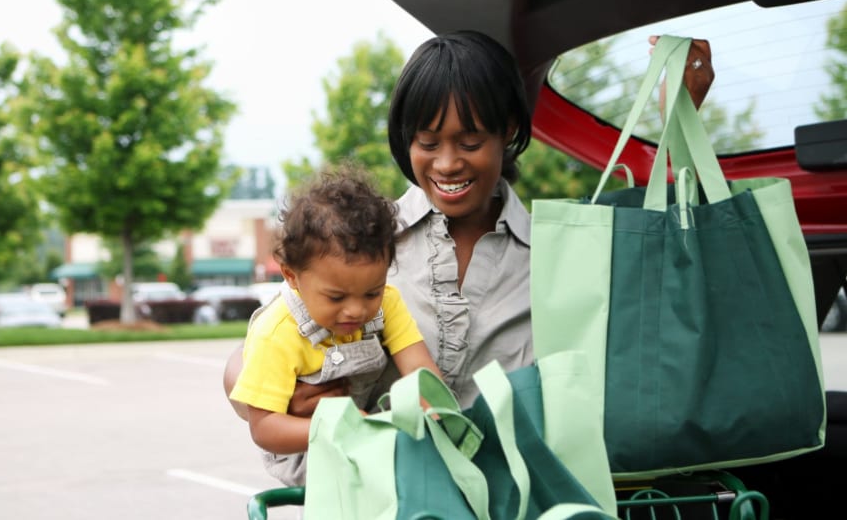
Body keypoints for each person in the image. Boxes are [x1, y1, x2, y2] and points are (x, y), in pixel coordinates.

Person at [225, 31, 714, 412]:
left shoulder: (556, 252)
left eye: (471, 142)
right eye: (428, 142)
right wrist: (278, 400)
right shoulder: (359, 242)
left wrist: (679, 120)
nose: (447, 164)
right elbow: (255, 354)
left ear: (508, 132)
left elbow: (665, 274)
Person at [228, 163, 443, 486]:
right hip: (305, 450)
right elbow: (265, 428)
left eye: (371, 291)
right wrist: (339, 425)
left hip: (365, 432)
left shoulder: (387, 302)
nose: (355, 311)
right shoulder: (278, 332)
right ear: (291, 276)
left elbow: (419, 369)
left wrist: (434, 410)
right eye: (336, 297)